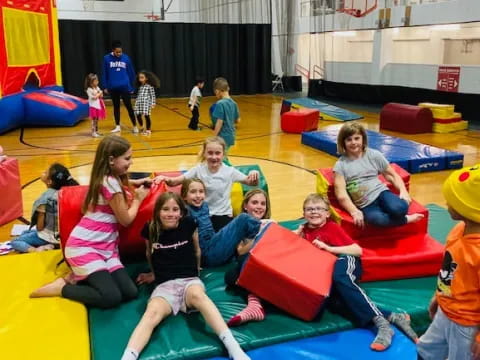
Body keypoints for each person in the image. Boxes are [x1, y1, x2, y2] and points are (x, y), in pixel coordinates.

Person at [120, 192, 250, 360]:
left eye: (175, 210)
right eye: (165, 209)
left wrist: (196, 272)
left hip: (188, 280)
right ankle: (128, 356)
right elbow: (149, 253)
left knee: (198, 296)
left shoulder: (189, 223)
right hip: (165, 285)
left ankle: (233, 346)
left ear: (181, 212)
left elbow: (196, 249)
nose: (170, 214)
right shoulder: (150, 228)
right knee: (151, 313)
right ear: (158, 211)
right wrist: (154, 274)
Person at [30, 136, 150, 309]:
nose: (131, 162)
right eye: (127, 158)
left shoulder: (104, 177)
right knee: (111, 297)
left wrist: (133, 182)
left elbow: (115, 184)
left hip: (106, 249)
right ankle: (63, 287)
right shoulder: (111, 184)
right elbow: (126, 220)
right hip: (84, 247)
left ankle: (82, 277)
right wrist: (139, 199)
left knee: (130, 292)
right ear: (111, 160)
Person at [294, 194, 418, 351]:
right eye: (309, 209)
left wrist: (330, 249)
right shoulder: (303, 230)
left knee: (339, 276)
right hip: (327, 270)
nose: (314, 212)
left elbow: (357, 250)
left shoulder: (331, 227)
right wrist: (296, 236)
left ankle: (382, 325)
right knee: (333, 302)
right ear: (303, 213)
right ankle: (391, 315)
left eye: (319, 208)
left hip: (345, 260)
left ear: (327, 213)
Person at [417, 164, 480, 360]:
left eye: (452, 202)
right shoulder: (458, 230)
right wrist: (439, 296)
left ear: (469, 209)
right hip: (446, 311)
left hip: (467, 324)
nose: (445, 204)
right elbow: (450, 271)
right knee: (426, 351)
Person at [154, 136, 259, 232]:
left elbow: (251, 182)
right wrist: (164, 178)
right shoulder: (198, 170)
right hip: (201, 214)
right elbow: (175, 182)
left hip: (222, 215)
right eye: (210, 153)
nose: (214, 157)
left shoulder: (229, 172)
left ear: (223, 154)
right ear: (204, 153)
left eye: (217, 153)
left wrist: (253, 173)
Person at [333, 122, 424, 228]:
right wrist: (354, 211)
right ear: (343, 142)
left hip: (381, 193)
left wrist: (403, 191)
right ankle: (406, 220)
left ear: (363, 139)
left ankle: (398, 211)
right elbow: (341, 194)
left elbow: (392, 175)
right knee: (378, 221)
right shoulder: (341, 165)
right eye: (349, 139)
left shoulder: (374, 155)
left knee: (400, 208)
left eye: (356, 138)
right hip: (365, 204)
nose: (353, 142)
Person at [181, 178, 261, 267]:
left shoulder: (204, 206)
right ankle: (264, 231)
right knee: (243, 218)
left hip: (214, 243)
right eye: (193, 192)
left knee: (239, 225)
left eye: (201, 191)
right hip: (207, 255)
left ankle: (255, 246)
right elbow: (186, 242)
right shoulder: (186, 212)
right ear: (184, 196)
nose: (198, 195)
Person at [224, 189, 273, 326]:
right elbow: (240, 252)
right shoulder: (240, 224)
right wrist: (259, 236)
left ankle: (256, 303)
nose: (259, 206)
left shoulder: (270, 222)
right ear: (245, 206)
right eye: (255, 202)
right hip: (250, 265)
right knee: (232, 275)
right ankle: (255, 302)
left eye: (263, 204)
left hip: (267, 265)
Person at [10, 163, 79, 253]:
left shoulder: (46, 199)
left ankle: (37, 250)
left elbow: (39, 227)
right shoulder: (73, 192)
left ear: (49, 181)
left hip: (52, 237)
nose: (42, 172)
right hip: (70, 235)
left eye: (45, 172)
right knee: (25, 233)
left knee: (16, 241)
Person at [101, 40, 137, 133]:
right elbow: (104, 73)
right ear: (113, 50)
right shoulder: (106, 58)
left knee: (129, 106)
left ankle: (135, 126)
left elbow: (131, 73)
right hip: (113, 87)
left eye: (120, 51)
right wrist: (105, 86)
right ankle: (117, 126)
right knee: (116, 106)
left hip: (125, 86)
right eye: (117, 52)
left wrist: (132, 86)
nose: (119, 53)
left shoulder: (126, 58)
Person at [211, 77, 240, 164]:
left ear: (217, 91)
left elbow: (219, 122)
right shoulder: (234, 103)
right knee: (223, 156)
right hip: (231, 135)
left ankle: (232, 174)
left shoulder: (220, 104)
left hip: (223, 137)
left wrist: (214, 136)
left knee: (221, 159)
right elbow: (238, 120)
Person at [134, 70, 159, 136]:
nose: (140, 79)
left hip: (146, 103)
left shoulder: (150, 86)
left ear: (146, 78)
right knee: (138, 115)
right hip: (139, 103)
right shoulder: (140, 86)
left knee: (146, 116)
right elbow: (139, 94)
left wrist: (153, 103)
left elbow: (152, 95)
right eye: (139, 78)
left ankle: (148, 130)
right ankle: (142, 127)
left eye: (142, 77)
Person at [85, 73, 106, 138]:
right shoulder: (89, 89)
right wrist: (99, 93)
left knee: (97, 120)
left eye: (97, 80)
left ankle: (96, 131)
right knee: (94, 120)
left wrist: (100, 94)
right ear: (91, 82)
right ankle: (93, 132)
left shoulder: (97, 87)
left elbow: (101, 95)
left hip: (98, 105)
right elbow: (94, 97)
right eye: (96, 81)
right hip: (93, 106)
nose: (97, 82)